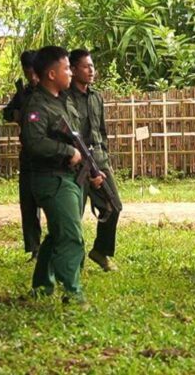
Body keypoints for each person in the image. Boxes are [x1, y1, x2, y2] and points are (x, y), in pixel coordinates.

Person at [23, 45, 92, 304]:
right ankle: (73, 294)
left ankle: (42, 287)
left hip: (68, 177)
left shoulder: (61, 101)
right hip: (52, 179)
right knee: (71, 237)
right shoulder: (38, 105)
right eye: (66, 69)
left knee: (56, 236)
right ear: (52, 74)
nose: (71, 73)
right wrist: (67, 151)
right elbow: (34, 142)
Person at [68, 48, 123, 272]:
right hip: (76, 164)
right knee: (74, 214)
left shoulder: (96, 97)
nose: (91, 70)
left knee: (114, 206)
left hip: (99, 159)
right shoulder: (66, 98)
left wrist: (104, 158)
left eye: (92, 66)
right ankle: (74, 261)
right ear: (73, 70)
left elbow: (101, 131)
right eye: (86, 66)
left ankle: (100, 251)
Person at [2, 50, 41, 258]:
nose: (31, 77)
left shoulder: (50, 92)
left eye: (34, 72)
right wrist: (16, 114)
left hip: (48, 156)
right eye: (28, 73)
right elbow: (7, 112)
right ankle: (35, 249)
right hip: (28, 155)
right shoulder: (23, 93)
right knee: (28, 204)